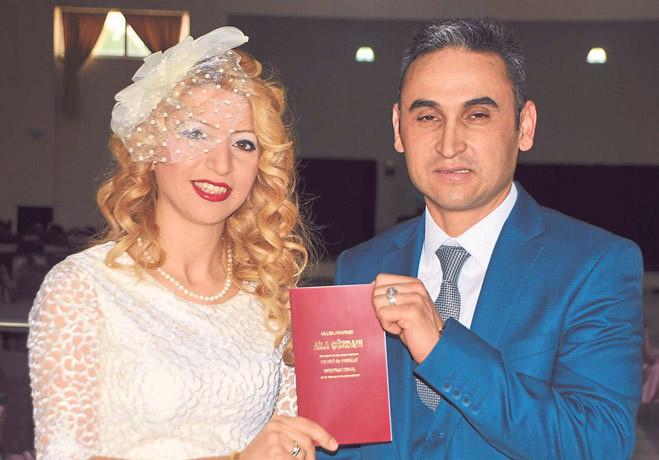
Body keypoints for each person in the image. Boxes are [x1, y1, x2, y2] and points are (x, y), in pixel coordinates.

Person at [321, 18, 644, 459]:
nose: (449, 144)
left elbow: (599, 444)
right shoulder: (359, 267)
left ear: (524, 126)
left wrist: (443, 348)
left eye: (477, 115)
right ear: (398, 128)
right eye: (428, 116)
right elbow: (346, 442)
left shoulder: (595, 265)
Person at [27, 26, 337, 460]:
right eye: (196, 133)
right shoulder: (81, 288)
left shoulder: (269, 296)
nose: (221, 162)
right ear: (149, 148)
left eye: (243, 143)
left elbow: (289, 444)